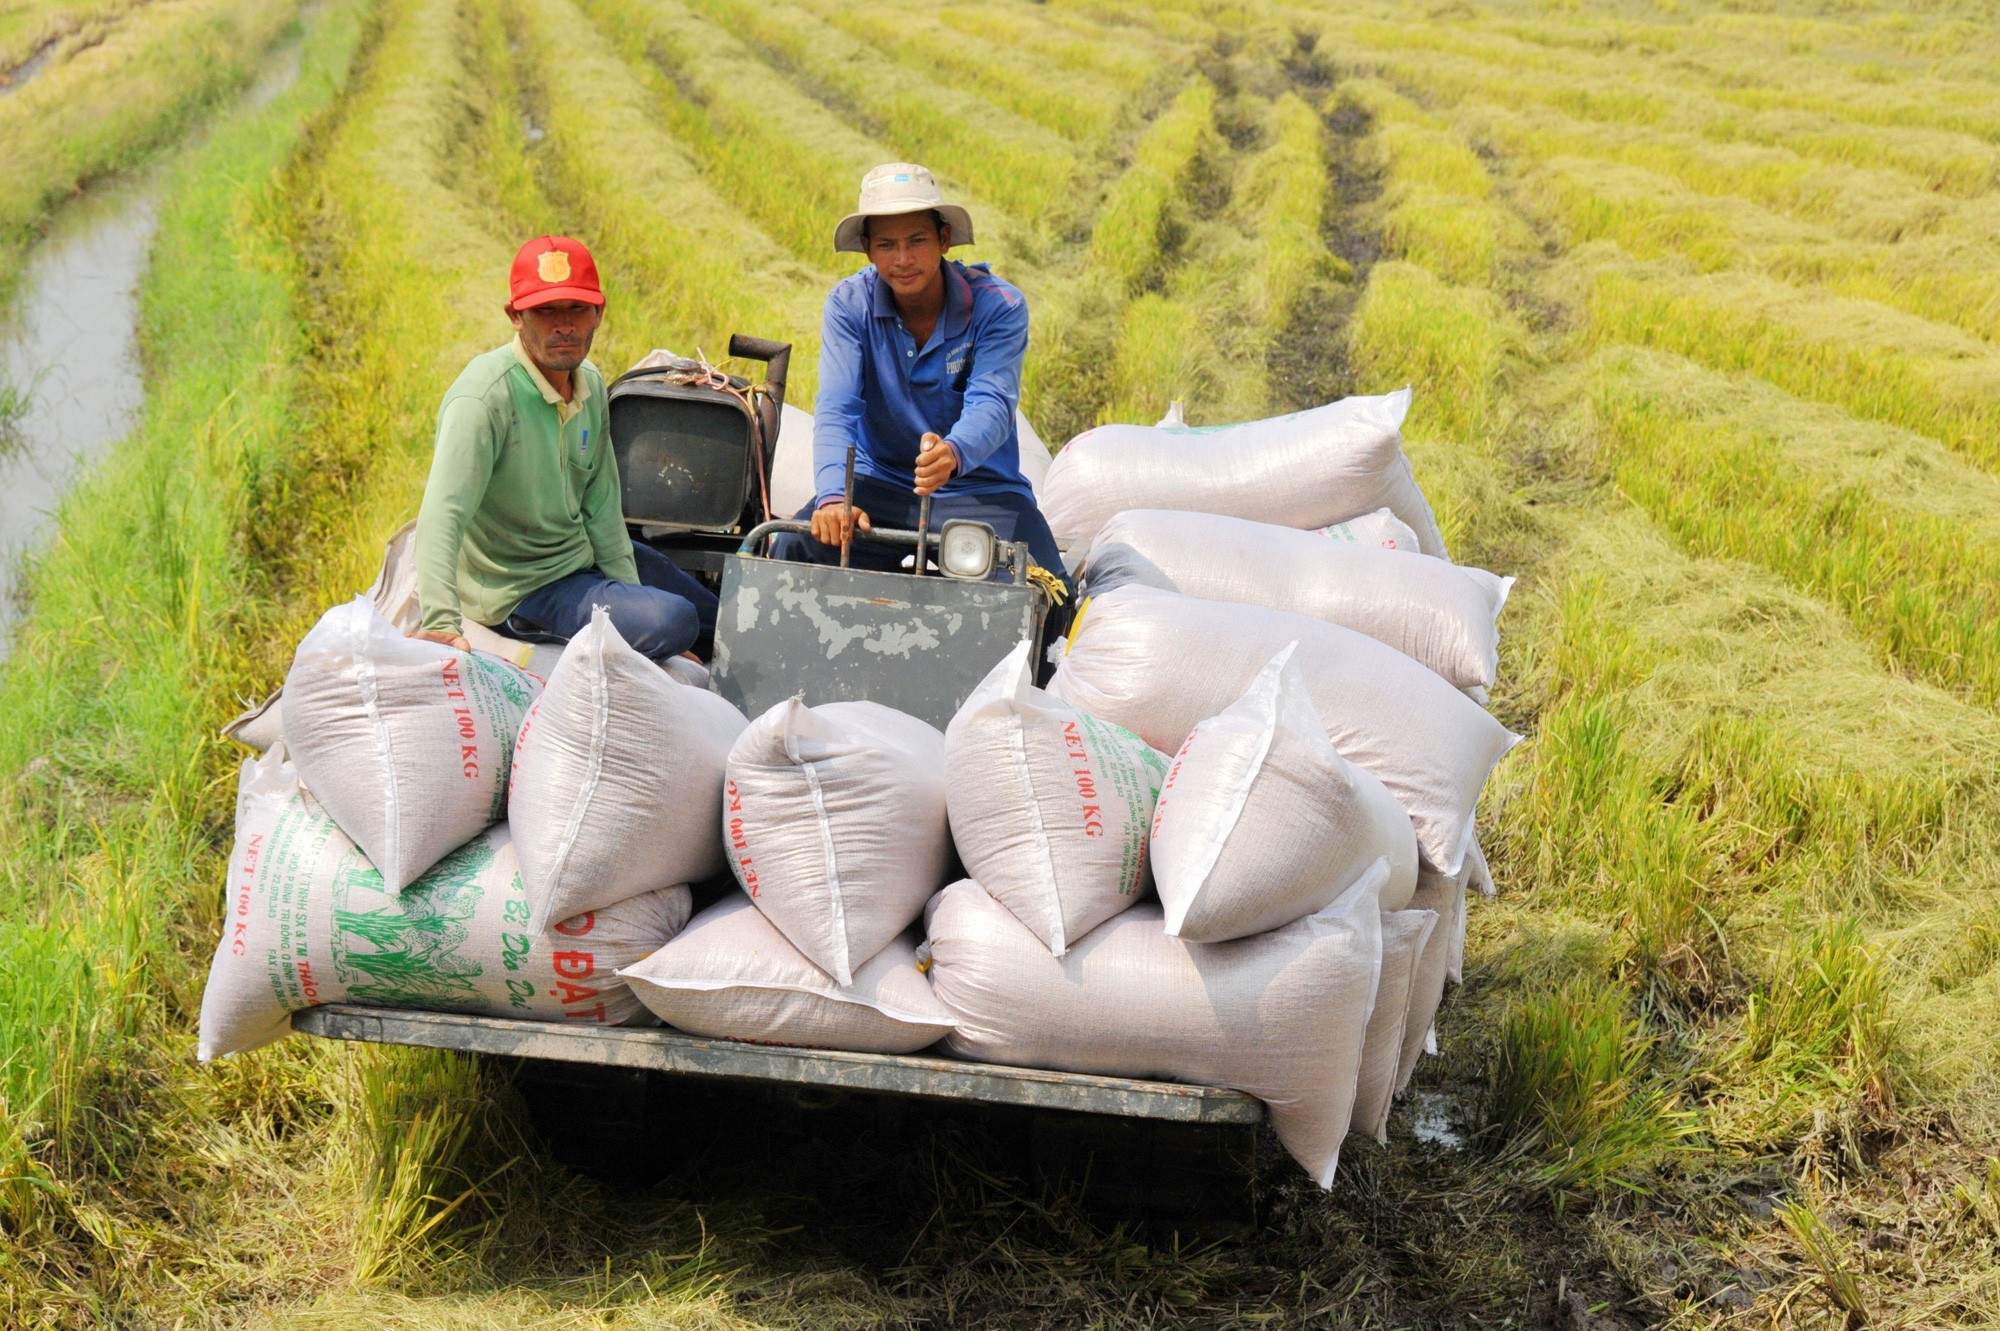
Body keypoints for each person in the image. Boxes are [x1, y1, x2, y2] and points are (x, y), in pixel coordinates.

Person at [770, 163, 1071, 609]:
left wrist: (952, 453)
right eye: (887, 245)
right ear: (868, 250)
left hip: (980, 488)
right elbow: (837, 409)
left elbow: (992, 403)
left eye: (917, 242)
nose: (903, 260)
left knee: (1049, 594)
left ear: (944, 240)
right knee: (792, 554)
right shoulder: (848, 305)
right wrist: (834, 497)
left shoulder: (998, 306)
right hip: (880, 484)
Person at [410, 235, 717, 662]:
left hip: (579, 559)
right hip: (522, 588)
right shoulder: (483, 399)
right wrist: (441, 622)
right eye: (545, 311)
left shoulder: (589, 382)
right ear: (515, 316)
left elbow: (602, 505)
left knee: (715, 617)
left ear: (599, 313)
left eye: (577, 309)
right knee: (675, 620)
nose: (563, 325)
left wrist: (633, 599)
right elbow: (443, 514)